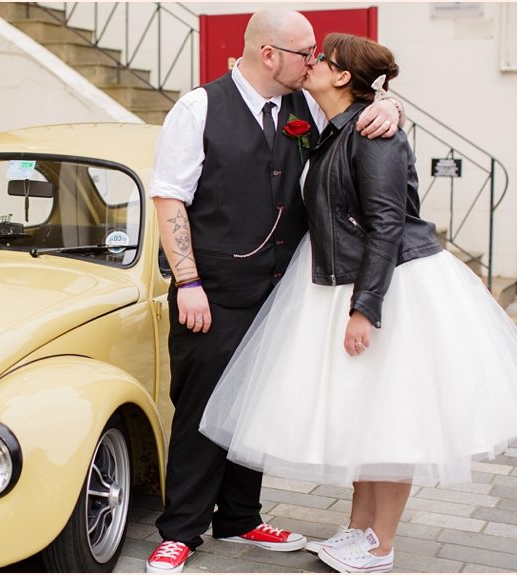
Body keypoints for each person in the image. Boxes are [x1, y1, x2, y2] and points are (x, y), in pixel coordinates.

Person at [199, 32, 517, 574]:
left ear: (341, 76)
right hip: (344, 280)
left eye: (322, 59)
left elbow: (386, 223)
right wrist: (385, 101)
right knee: (367, 416)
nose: (310, 64)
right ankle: (358, 529)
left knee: (395, 418)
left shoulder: (373, 134)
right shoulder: (332, 126)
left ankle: (380, 544)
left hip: (389, 284)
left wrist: (368, 307)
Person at [146, 9, 404, 573]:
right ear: (270, 54)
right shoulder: (198, 108)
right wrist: (187, 282)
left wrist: (388, 104)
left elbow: (357, 113)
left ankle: (240, 517)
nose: (313, 61)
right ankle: (181, 531)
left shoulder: (307, 106)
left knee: (255, 405)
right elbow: (169, 200)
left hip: (283, 290)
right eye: (304, 52)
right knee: (202, 406)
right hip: (211, 289)